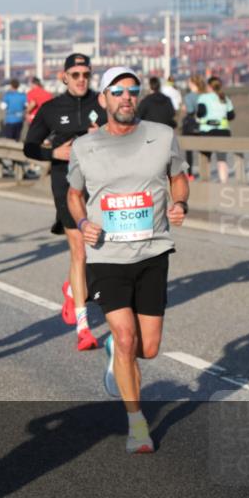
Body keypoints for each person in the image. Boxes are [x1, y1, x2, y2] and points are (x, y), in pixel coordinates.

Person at [67, 66, 189, 454]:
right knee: (125, 335)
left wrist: (181, 201)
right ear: (102, 99)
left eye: (131, 91)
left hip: (152, 252)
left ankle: (116, 357)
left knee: (148, 348)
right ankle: (138, 424)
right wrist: (83, 220)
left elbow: (179, 176)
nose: (126, 98)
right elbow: (74, 193)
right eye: (117, 92)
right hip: (107, 255)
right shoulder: (85, 146)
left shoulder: (163, 136)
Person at [23, 53, 106, 350]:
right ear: (64, 77)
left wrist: (104, 137)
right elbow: (29, 147)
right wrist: (54, 154)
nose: (82, 79)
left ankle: (73, 287)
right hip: (67, 185)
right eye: (76, 75)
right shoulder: (51, 109)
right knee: (80, 249)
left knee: (102, 248)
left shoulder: (104, 103)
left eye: (86, 74)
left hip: (100, 185)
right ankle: (84, 329)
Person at [196, 76, 235, 183]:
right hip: (223, 132)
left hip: (207, 132)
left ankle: (205, 185)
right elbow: (231, 116)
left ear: (209, 86)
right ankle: (224, 185)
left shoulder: (203, 98)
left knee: (205, 159)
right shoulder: (225, 98)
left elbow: (200, 113)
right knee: (222, 161)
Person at [181, 76, 206, 176]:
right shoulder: (204, 95)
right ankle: (204, 172)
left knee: (189, 151)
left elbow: (190, 111)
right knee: (203, 150)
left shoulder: (188, 97)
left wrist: (184, 108)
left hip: (190, 125)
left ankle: (190, 174)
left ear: (192, 83)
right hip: (203, 124)